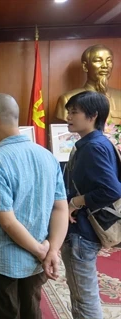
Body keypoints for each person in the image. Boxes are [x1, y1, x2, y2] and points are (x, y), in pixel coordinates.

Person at [0, 93, 69, 319]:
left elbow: (6, 221)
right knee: (31, 313)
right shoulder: (48, 157)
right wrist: (51, 251)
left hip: (1, 263)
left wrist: (41, 250)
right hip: (36, 264)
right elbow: (61, 209)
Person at [61, 91, 121, 319]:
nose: (68, 116)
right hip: (85, 230)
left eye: (74, 112)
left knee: (84, 299)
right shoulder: (96, 142)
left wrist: (75, 202)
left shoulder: (93, 147)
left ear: (93, 115)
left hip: (83, 233)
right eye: (69, 111)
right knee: (83, 294)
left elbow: (112, 189)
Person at [55, 44, 121, 124]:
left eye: (109, 60)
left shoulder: (119, 97)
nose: (105, 66)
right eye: (98, 61)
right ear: (85, 66)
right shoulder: (67, 99)